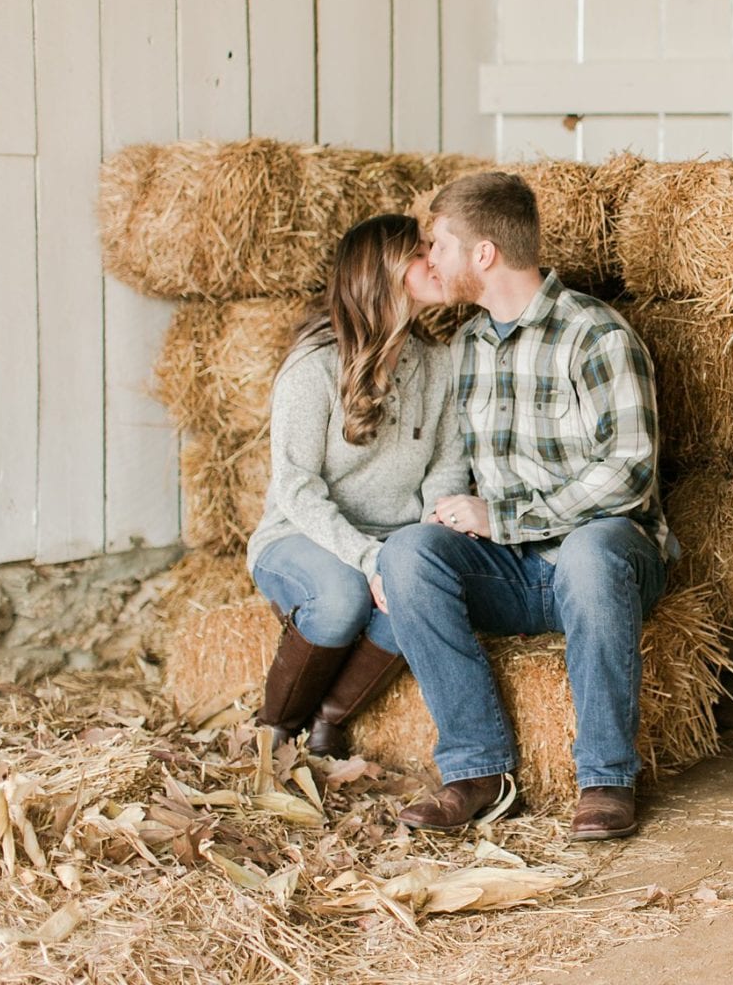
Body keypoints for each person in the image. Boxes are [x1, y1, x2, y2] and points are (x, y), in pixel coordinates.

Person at [378, 171, 675, 839]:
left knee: (593, 548)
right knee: (407, 555)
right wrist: (441, 517)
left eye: (441, 246)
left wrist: (503, 518)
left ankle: (605, 779)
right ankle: (478, 771)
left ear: (483, 254)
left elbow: (628, 474)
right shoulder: (467, 349)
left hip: (606, 566)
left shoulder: (596, 336)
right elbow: (453, 465)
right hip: (513, 572)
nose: (431, 261)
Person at [246, 214, 470, 758]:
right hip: (302, 536)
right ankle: (272, 732)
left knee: (419, 595)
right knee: (344, 596)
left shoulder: (438, 365)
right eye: (423, 253)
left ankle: (329, 723)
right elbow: (296, 488)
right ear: (387, 272)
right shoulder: (314, 367)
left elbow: (446, 468)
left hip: (390, 539)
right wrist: (368, 559)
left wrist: (414, 554)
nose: (437, 260)